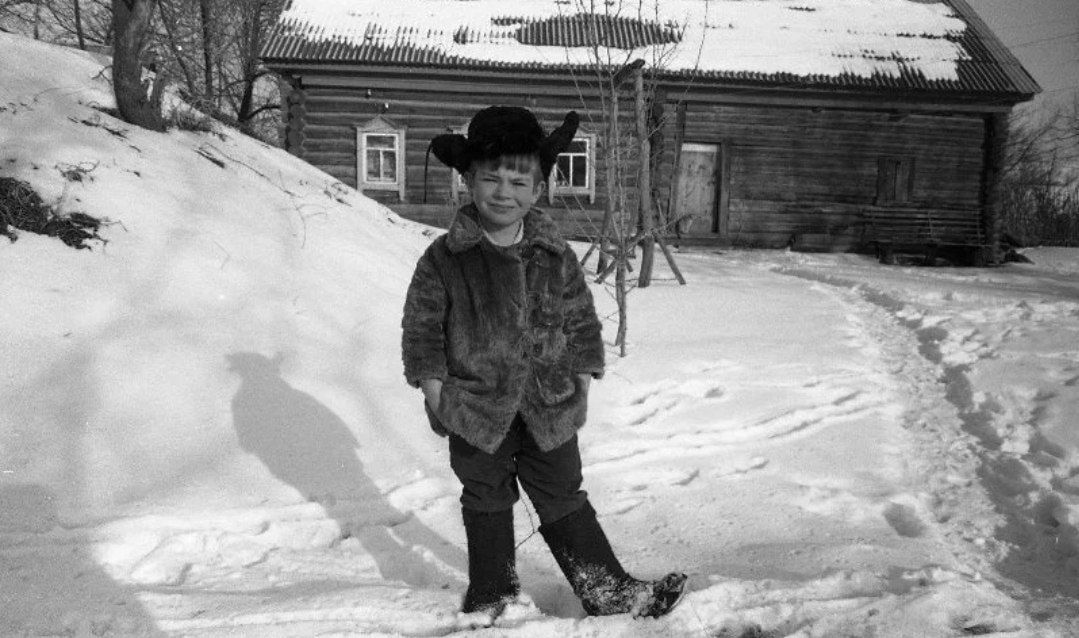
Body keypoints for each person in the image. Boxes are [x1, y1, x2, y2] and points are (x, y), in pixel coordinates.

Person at [401, 105, 686, 620]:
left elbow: (579, 317)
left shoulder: (554, 254)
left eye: (518, 180)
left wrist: (581, 375)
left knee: (562, 493)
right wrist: (435, 391)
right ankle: (493, 593)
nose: (503, 192)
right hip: (474, 406)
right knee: (485, 496)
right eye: (491, 177)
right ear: (468, 180)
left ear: (537, 189)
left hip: (549, 402)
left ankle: (606, 590)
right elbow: (421, 328)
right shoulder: (444, 259)